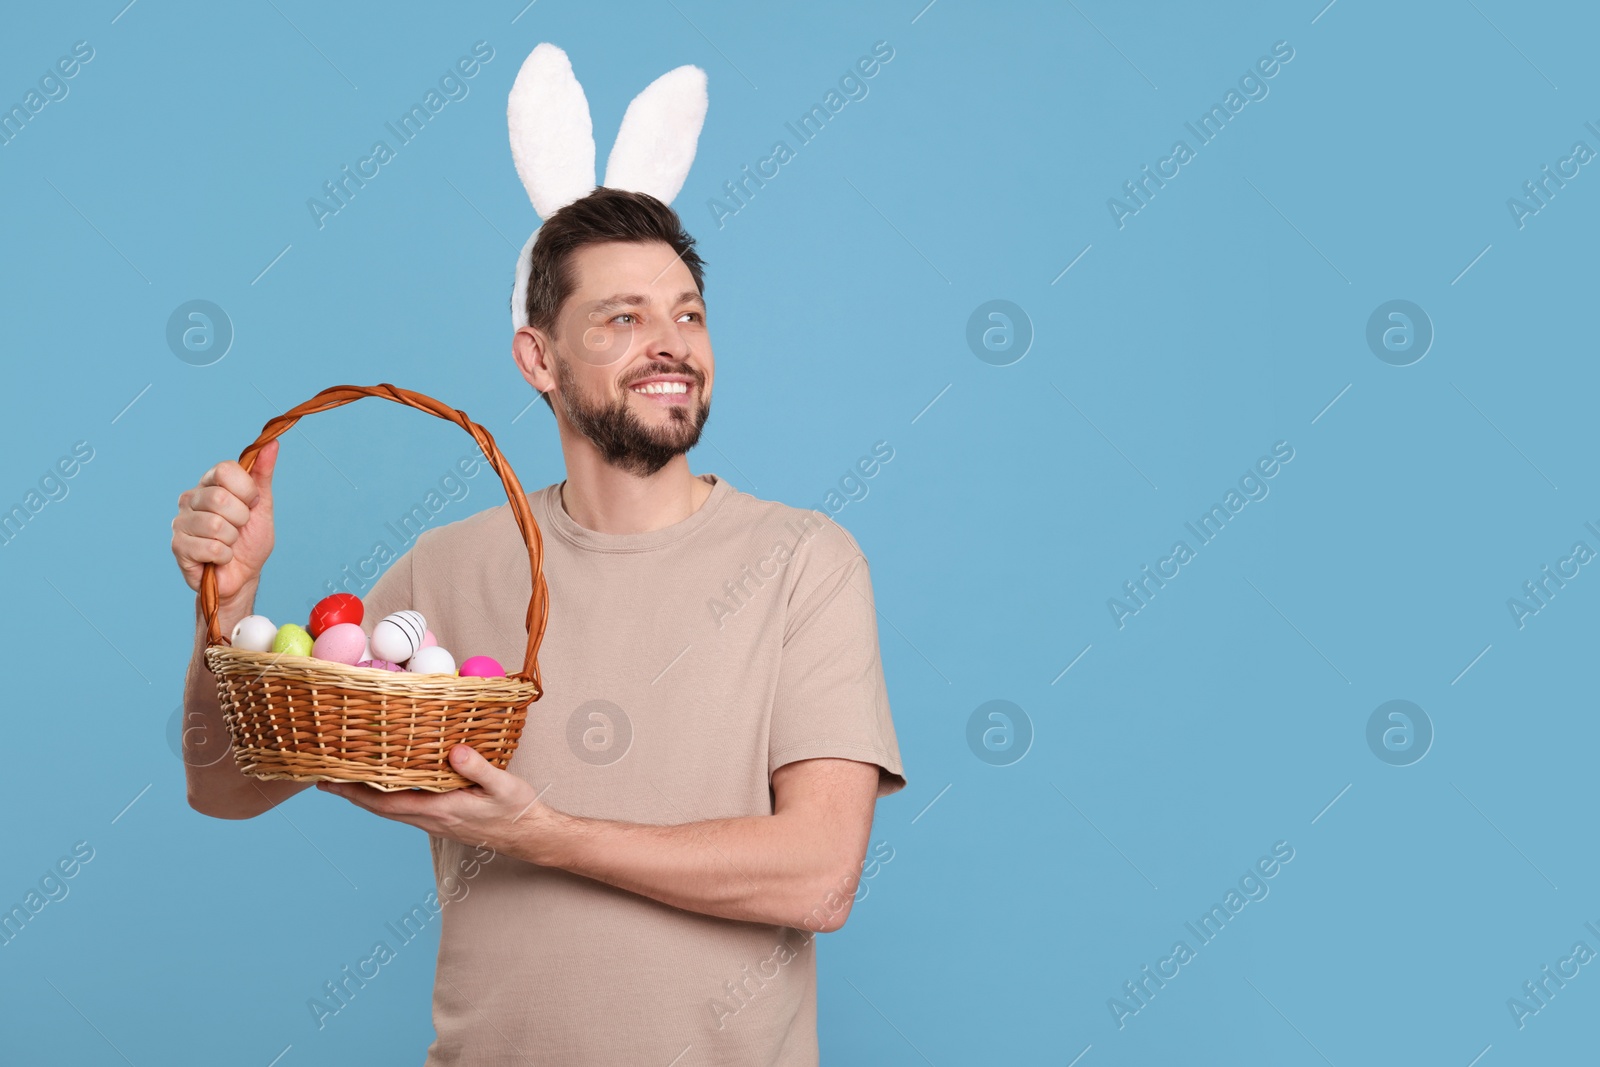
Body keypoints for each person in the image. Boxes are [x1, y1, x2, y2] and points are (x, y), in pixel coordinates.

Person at [170, 187, 906, 1065]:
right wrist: (230, 605)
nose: (671, 342)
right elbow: (225, 788)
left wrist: (544, 836)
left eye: (689, 314)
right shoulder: (443, 570)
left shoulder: (804, 562)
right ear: (539, 357)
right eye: (622, 317)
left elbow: (820, 875)